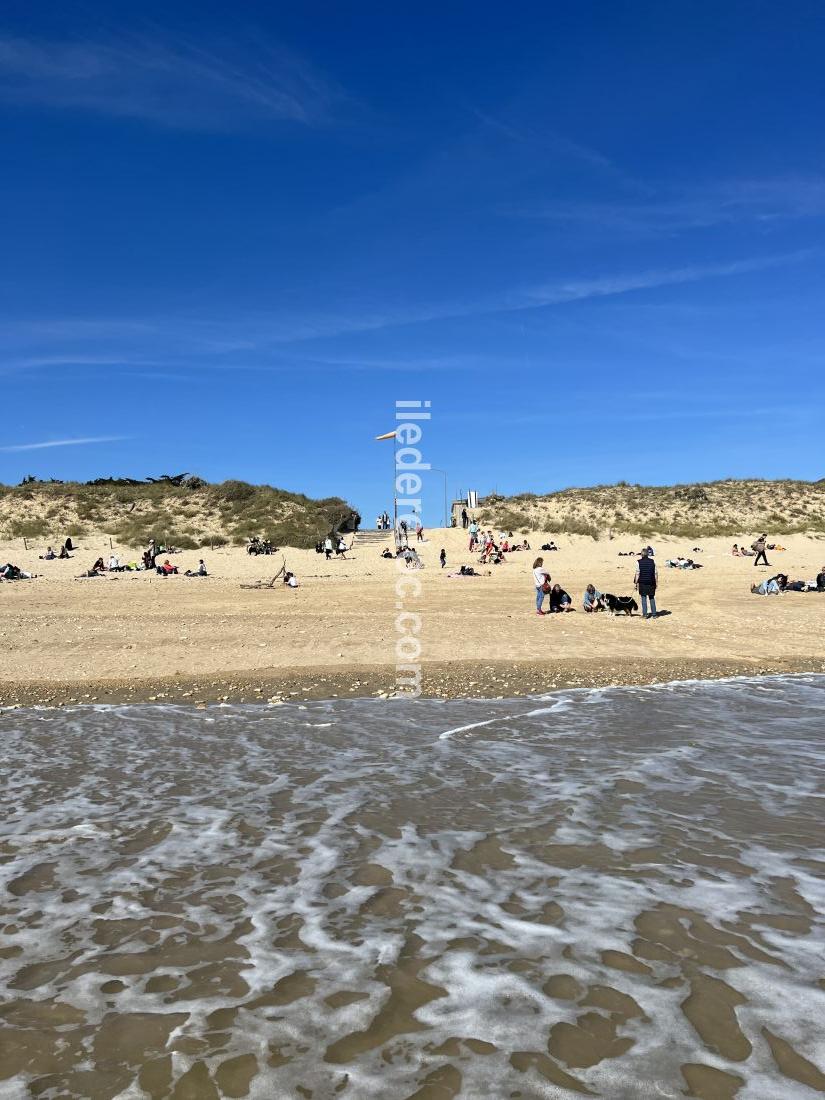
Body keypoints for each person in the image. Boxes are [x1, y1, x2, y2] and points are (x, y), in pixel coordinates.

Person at [634, 548, 658, 619]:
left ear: (641, 554)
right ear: (648, 554)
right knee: (651, 597)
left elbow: (637, 573)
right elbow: (656, 573)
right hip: (651, 582)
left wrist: (636, 582)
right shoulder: (652, 561)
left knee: (643, 598)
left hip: (642, 583)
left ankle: (645, 614)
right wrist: (656, 582)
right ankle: (654, 614)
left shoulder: (638, 562)